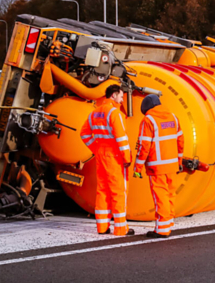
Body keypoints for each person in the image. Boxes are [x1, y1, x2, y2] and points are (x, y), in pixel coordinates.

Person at [79, 84, 134, 236]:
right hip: (114, 156)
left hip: (101, 155)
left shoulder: (95, 113)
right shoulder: (115, 114)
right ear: (114, 95)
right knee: (118, 192)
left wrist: (96, 149)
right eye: (121, 97)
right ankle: (121, 228)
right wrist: (127, 157)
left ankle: (102, 227)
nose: (122, 100)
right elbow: (121, 138)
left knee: (102, 190)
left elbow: (83, 134)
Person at [135, 94, 185, 238]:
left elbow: (144, 146)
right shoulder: (173, 118)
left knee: (160, 197)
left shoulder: (148, 120)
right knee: (170, 195)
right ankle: (168, 224)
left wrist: (137, 168)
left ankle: (162, 229)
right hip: (172, 165)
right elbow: (180, 141)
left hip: (157, 166)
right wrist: (179, 161)